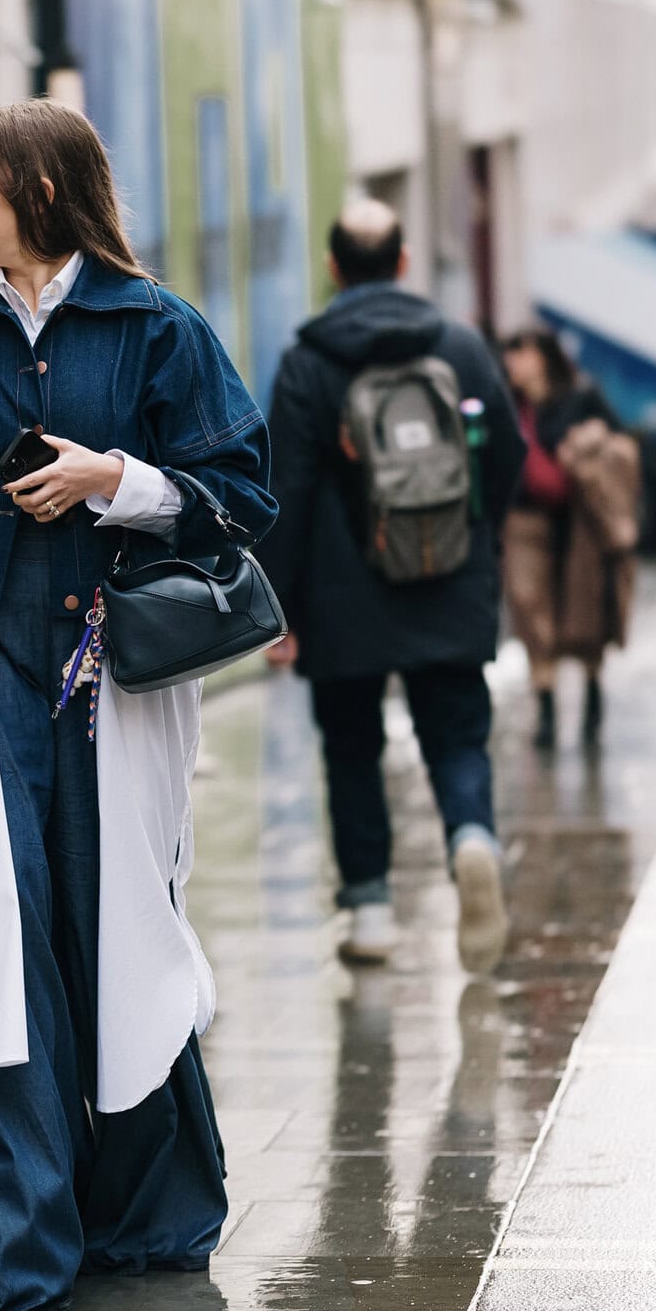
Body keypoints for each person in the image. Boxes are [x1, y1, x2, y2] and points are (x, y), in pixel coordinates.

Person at [0, 98, 272, 1311]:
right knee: (3, 932)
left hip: (120, 665)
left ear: (38, 187)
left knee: (124, 922)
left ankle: (153, 1215)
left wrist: (117, 480)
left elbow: (243, 496)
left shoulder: (156, 326)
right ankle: (26, 1250)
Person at [260, 201, 522, 970]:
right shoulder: (461, 346)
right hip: (448, 573)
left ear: (334, 266)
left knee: (351, 748)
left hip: (345, 596)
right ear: (404, 261)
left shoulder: (308, 361)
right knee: (456, 734)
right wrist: (480, 538)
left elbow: (289, 489)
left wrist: (278, 608)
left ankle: (371, 910)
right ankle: (471, 835)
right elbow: (504, 451)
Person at [499, 325, 638, 750]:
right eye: (510, 354)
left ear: (543, 356)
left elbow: (621, 444)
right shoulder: (506, 403)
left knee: (585, 613)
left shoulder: (581, 396)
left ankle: (593, 694)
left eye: (521, 352)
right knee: (531, 610)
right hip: (526, 521)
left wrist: (584, 449)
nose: (513, 363)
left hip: (580, 523)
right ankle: (546, 708)